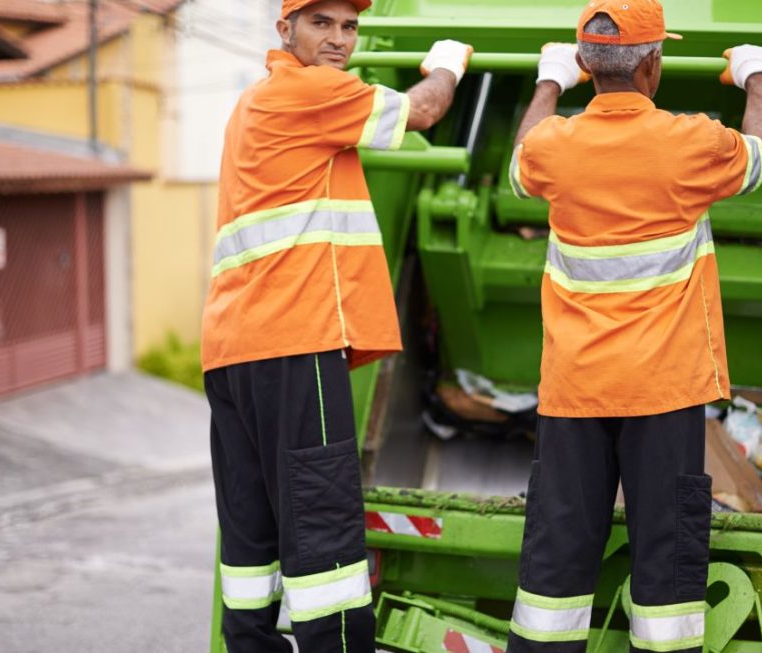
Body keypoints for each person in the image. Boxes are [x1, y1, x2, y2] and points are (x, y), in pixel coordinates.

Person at [199, 0, 472, 650]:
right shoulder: (312, 91)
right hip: (296, 339)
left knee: (250, 537)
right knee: (324, 537)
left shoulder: (252, 105)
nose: (340, 40)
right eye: (322, 23)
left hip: (233, 352)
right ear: (285, 30)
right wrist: (447, 64)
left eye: (349, 27)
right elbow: (424, 112)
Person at [505, 1, 762, 651]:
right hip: (664, 390)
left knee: (556, 560)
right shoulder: (691, 143)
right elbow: (761, 151)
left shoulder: (555, 146)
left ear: (583, 63)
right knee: (665, 558)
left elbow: (520, 159)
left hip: (574, 390)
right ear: (652, 64)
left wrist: (548, 84)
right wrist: (756, 76)